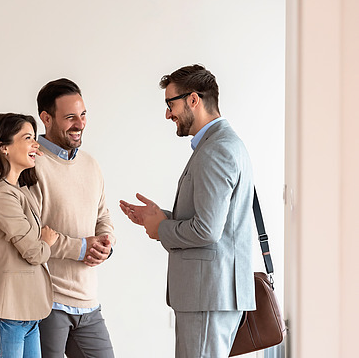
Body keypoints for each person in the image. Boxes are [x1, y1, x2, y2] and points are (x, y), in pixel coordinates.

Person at [119, 64, 256, 357]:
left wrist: (162, 229)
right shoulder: (220, 145)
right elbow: (219, 221)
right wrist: (159, 218)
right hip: (212, 294)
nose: (168, 114)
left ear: (193, 99)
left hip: (207, 295)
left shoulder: (216, 149)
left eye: (171, 104)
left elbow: (207, 230)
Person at [30, 78, 116, 358]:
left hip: (89, 303)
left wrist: (106, 244)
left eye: (83, 115)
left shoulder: (91, 165)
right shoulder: (32, 165)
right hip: (48, 302)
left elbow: (103, 216)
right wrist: (82, 248)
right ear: (46, 118)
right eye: (69, 117)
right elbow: (30, 235)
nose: (79, 124)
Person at [0, 113, 59, 358]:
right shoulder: (1, 194)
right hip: (3, 318)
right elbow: (34, 251)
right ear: (4, 148)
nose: (36, 144)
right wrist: (45, 242)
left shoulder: (15, 191)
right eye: (28, 138)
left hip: (23, 316)